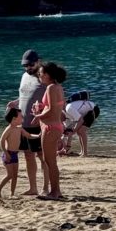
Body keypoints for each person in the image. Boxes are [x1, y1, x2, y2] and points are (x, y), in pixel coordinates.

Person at [31, 61, 67, 200]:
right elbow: (56, 108)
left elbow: (52, 110)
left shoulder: (51, 88)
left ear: (47, 75)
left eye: (40, 73)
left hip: (50, 127)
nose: (39, 76)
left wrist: (37, 116)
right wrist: (41, 108)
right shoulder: (58, 87)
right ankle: (56, 191)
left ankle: (54, 192)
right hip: (55, 126)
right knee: (51, 161)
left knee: (49, 161)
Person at [16, 49, 47, 196]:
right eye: (25, 65)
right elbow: (24, 94)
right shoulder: (24, 76)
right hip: (23, 122)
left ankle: (45, 188)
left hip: (38, 123)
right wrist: (16, 103)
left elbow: (54, 100)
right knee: (28, 155)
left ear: (38, 61)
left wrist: (43, 114)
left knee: (42, 156)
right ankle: (32, 187)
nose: (27, 68)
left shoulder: (45, 78)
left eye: (30, 65)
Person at [0, 106, 33, 198]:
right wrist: (6, 153)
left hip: (15, 154)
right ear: (14, 119)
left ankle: (12, 194)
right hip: (8, 154)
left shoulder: (19, 128)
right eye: (21, 117)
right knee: (10, 175)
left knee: (15, 176)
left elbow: (28, 135)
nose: (22, 118)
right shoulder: (9, 129)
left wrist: (39, 135)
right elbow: (1, 141)